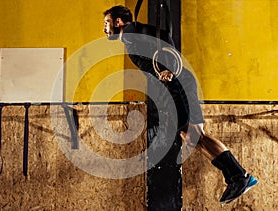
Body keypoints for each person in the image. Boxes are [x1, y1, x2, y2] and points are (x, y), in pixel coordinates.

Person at [102, 5, 258, 207]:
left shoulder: (131, 31)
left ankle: (239, 176)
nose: (104, 28)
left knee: (193, 134)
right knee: (192, 135)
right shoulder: (130, 40)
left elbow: (164, 36)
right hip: (177, 84)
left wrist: (169, 68)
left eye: (106, 23)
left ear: (118, 22)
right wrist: (165, 70)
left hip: (178, 84)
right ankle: (237, 176)